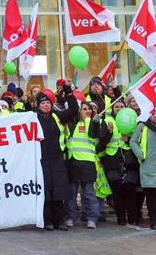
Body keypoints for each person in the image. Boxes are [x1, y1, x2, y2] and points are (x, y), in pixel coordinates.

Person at [65, 99, 108, 229]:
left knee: (89, 193)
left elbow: (95, 134)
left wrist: (95, 122)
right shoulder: (72, 123)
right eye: (84, 109)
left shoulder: (93, 122)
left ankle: (92, 218)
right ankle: (70, 218)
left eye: (89, 109)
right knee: (71, 194)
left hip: (87, 163)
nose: (87, 111)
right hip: (72, 162)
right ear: (79, 111)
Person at [35, 87, 73, 230]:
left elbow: (73, 111)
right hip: (42, 159)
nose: (46, 105)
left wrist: (68, 93)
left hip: (57, 158)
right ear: (38, 105)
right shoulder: (33, 118)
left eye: (48, 103)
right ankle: (48, 220)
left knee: (58, 190)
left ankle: (59, 220)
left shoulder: (57, 117)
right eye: (43, 103)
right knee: (46, 190)